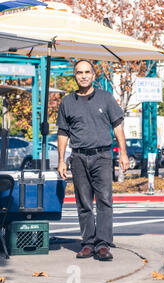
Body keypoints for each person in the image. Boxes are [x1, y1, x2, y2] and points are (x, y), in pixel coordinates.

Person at [57, 60, 129, 261]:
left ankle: (103, 244)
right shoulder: (67, 102)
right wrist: (62, 160)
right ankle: (88, 243)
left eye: (87, 72)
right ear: (75, 76)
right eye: (79, 72)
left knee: (104, 200)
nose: (84, 75)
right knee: (84, 202)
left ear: (93, 75)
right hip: (78, 156)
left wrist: (123, 153)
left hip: (102, 156)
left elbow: (118, 126)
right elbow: (63, 132)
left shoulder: (106, 98)